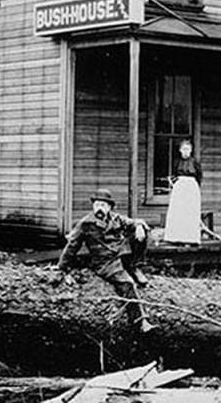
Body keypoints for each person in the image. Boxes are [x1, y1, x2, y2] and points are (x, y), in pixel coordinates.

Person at [57, 188, 156, 333]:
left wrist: (139, 226)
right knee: (128, 284)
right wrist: (62, 267)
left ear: (109, 207)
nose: (99, 208)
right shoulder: (86, 223)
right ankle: (140, 322)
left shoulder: (116, 218)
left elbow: (133, 222)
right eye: (96, 205)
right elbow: (72, 246)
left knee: (142, 231)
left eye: (103, 205)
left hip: (122, 256)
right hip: (105, 263)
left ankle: (135, 266)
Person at [163, 138, 203, 244]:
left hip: (191, 187)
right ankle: (175, 237)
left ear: (191, 150)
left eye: (188, 149)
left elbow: (199, 176)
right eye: (184, 149)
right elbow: (174, 174)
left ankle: (190, 238)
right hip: (180, 187)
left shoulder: (195, 162)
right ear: (180, 150)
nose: (186, 152)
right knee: (178, 211)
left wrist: (194, 188)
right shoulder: (177, 162)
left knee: (190, 212)